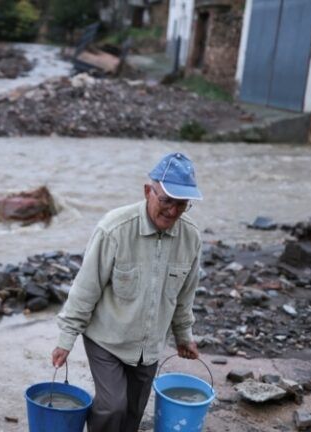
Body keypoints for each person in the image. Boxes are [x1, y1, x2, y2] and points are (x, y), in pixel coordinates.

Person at [51, 152, 204, 432]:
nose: (172, 211)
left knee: (132, 414)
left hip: (150, 346)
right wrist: (66, 339)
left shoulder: (190, 237)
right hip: (106, 339)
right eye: (166, 200)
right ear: (148, 191)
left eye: (181, 204)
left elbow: (184, 296)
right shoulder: (114, 229)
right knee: (112, 406)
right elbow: (86, 288)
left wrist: (184, 336)